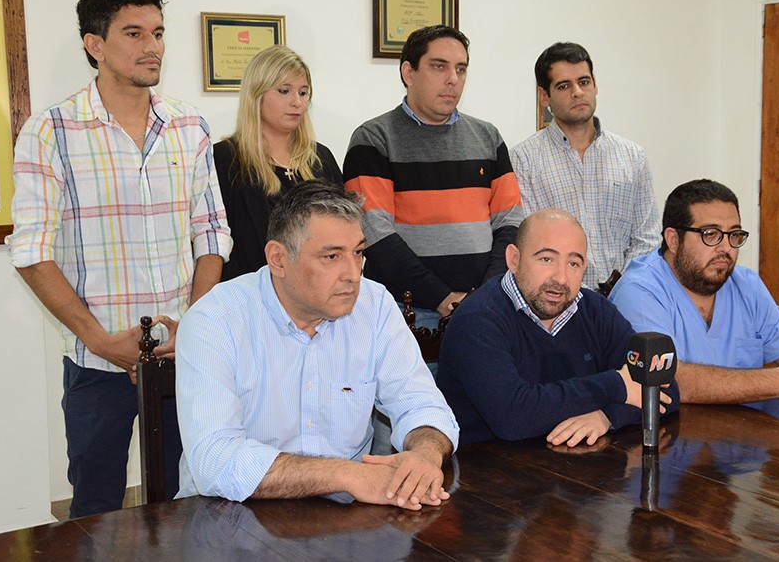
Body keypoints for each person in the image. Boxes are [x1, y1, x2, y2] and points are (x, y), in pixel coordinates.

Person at [7, 0, 231, 518]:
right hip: (95, 362)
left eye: (158, 32)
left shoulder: (189, 126)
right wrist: (103, 342)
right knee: (96, 508)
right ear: (95, 45)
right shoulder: (51, 130)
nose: (152, 46)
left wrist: (193, 327)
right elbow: (32, 252)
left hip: (181, 357)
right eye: (134, 33)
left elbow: (212, 233)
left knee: (189, 500)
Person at [175, 181, 459, 511]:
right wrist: (348, 475)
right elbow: (215, 460)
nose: (353, 274)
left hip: (345, 516)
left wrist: (425, 454)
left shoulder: (375, 305)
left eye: (358, 253)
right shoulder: (215, 319)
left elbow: (423, 405)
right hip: (227, 514)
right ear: (278, 259)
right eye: (332, 256)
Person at [436, 209, 678, 446]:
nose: (561, 278)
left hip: (575, 462)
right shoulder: (478, 319)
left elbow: (667, 389)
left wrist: (607, 416)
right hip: (485, 465)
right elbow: (513, 417)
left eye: (573, 263)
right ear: (514, 259)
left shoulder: (595, 310)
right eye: (546, 259)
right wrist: (616, 385)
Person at [343, 25, 524, 328]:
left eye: (461, 69)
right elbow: (374, 232)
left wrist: (486, 294)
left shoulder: (488, 137)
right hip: (405, 313)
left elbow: (510, 222)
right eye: (439, 66)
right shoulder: (374, 139)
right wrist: (441, 297)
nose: (453, 79)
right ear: (409, 73)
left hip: (484, 307)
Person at [609, 179, 779, 405]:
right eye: (711, 234)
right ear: (673, 240)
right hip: (667, 430)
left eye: (734, 235)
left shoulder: (746, 284)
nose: (726, 248)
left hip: (747, 428)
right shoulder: (639, 291)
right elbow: (669, 380)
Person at [510, 42, 659, 290]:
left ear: (595, 84)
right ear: (544, 96)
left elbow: (648, 238)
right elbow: (530, 245)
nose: (577, 92)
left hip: (627, 298)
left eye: (584, 82)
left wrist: (623, 293)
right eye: (564, 86)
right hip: (559, 299)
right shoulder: (524, 160)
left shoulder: (633, 156)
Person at [214, 45, 342, 281]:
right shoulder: (225, 160)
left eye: (303, 93)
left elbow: (342, 233)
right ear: (256, 95)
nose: (297, 102)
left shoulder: (321, 158)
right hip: (251, 293)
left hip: (317, 290)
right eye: (284, 91)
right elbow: (213, 244)